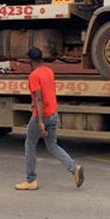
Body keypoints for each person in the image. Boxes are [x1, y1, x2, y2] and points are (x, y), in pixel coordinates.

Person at [15, 47, 84, 190]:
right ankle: (74, 168)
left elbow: (39, 98)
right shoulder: (48, 71)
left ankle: (30, 180)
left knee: (30, 145)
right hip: (53, 113)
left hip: (43, 115)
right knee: (52, 145)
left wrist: (40, 121)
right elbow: (46, 94)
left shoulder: (34, 76)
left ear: (31, 61)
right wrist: (34, 105)